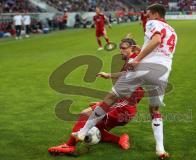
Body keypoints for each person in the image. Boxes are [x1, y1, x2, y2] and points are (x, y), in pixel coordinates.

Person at [73, 4, 177, 159]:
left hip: (144, 67)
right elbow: (158, 46)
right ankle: (160, 149)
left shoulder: (152, 23)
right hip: (162, 72)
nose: (146, 18)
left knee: (110, 98)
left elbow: (156, 40)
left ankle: (81, 133)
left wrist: (138, 59)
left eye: (148, 15)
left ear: (155, 14)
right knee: (155, 111)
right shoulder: (173, 31)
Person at [48, 37, 144, 155]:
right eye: (120, 48)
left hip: (123, 109)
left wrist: (103, 103)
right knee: (96, 128)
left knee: (85, 114)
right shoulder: (134, 60)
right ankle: (120, 139)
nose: (120, 51)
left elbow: (129, 83)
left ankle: (69, 145)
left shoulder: (134, 61)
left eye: (123, 48)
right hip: (125, 109)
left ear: (132, 49)